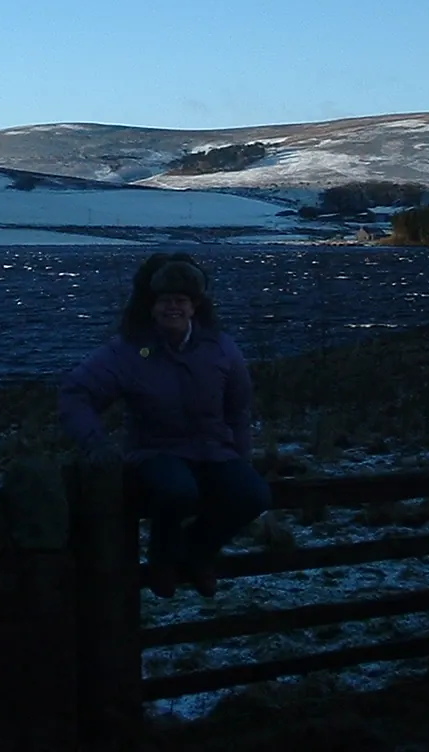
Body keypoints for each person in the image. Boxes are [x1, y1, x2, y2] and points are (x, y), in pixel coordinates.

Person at [58, 252, 272, 598]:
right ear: (150, 306)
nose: (172, 308)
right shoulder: (127, 351)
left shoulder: (221, 348)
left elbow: (238, 408)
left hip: (214, 450)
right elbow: (75, 393)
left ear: (195, 306)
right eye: (164, 301)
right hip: (155, 451)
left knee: (254, 495)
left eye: (181, 301)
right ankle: (163, 560)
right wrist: (96, 444)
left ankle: (196, 554)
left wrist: (241, 457)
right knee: (177, 491)